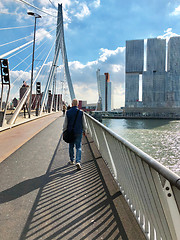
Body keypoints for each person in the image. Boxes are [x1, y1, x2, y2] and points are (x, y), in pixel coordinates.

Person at [63, 99, 86, 170]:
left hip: (70, 132)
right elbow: (84, 123)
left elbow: (65, 123)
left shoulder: (68, 112)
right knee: (78, 147)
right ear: (78, 104)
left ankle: (71, 160)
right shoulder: (81, 112)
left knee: (71, 146)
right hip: (78, 132)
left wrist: (64, 131)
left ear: (72, 104)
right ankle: (78, 161)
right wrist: (84, 131)